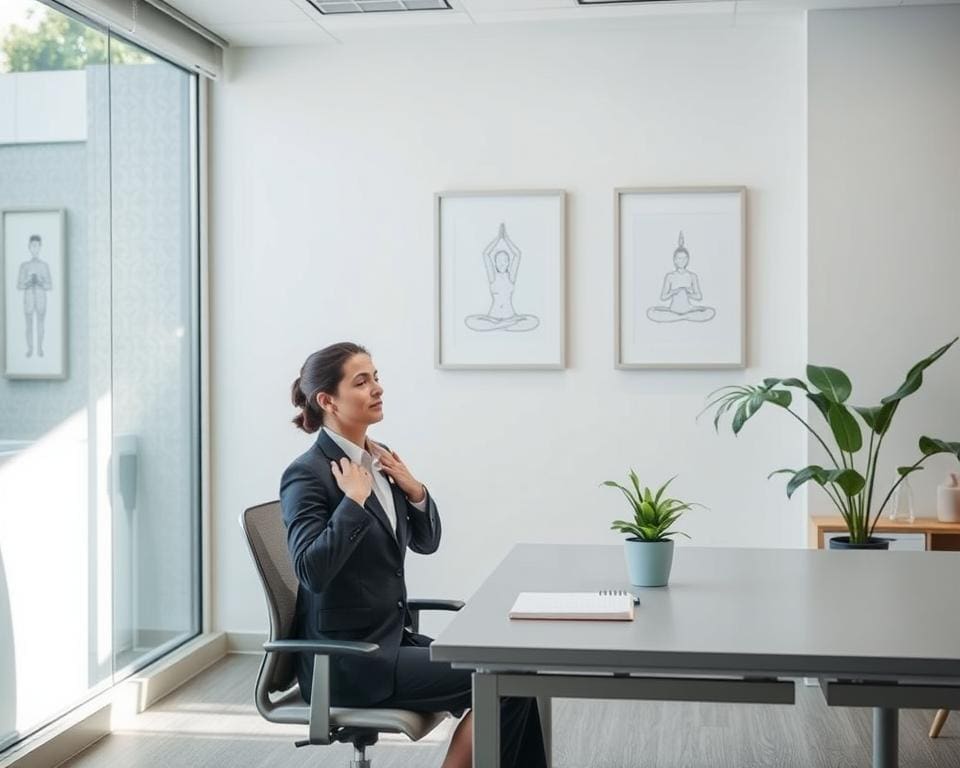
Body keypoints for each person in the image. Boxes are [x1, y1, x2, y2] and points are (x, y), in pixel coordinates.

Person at [280, 342, 546, 768]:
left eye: (377, 377)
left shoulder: (378, 458)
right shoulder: (307, 475)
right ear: (327, 400)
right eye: (361, 381)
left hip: (389, 641)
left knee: (513, 672)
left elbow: (426, 542)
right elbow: (311, 571)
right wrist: (352, 503)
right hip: (350, 662)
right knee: (509, 681)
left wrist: (415, 492)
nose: (377, 389)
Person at [464, 222, 540, 332]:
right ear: (495, 263)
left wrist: (506, 239)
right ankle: (503, 325)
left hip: (511, 316)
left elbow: (518, 254)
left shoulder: (511, 277)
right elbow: (486, 254)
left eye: (505, 261)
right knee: (469, 321)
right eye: (499, 261)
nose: (502, 263)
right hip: (492, 318)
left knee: (534, 321)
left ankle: (501, 325)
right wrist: (498, 238)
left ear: (508, 263)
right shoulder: (493, 277)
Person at [646, 231, 716, 323]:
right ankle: (683, 317)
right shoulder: (670, 276)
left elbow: (699, 297)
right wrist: (674, 291)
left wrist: (687, 292)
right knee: (651, 312)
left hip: (689, 309)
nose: (681, 261)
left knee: (710, 312)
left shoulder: (692, 276)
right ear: (674, 260)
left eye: (684, 258)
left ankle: (681, 316)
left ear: (688, 260)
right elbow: (663, 297)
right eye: (679, 258)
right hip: (673, 310)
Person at [17, 234, 53, 358]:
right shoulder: (24, 266)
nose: (35, 248)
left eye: (37, 246)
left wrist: (39, 281)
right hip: (28, 299)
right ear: (29, 247)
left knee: (41, 324)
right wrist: (28, 281)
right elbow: (19, 286)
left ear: (40, 247)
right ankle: (30, 349)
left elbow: (49, 286)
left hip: (41, 299)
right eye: (32, 246)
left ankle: (40, 348)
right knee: (28, 325)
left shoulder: (44, 265)